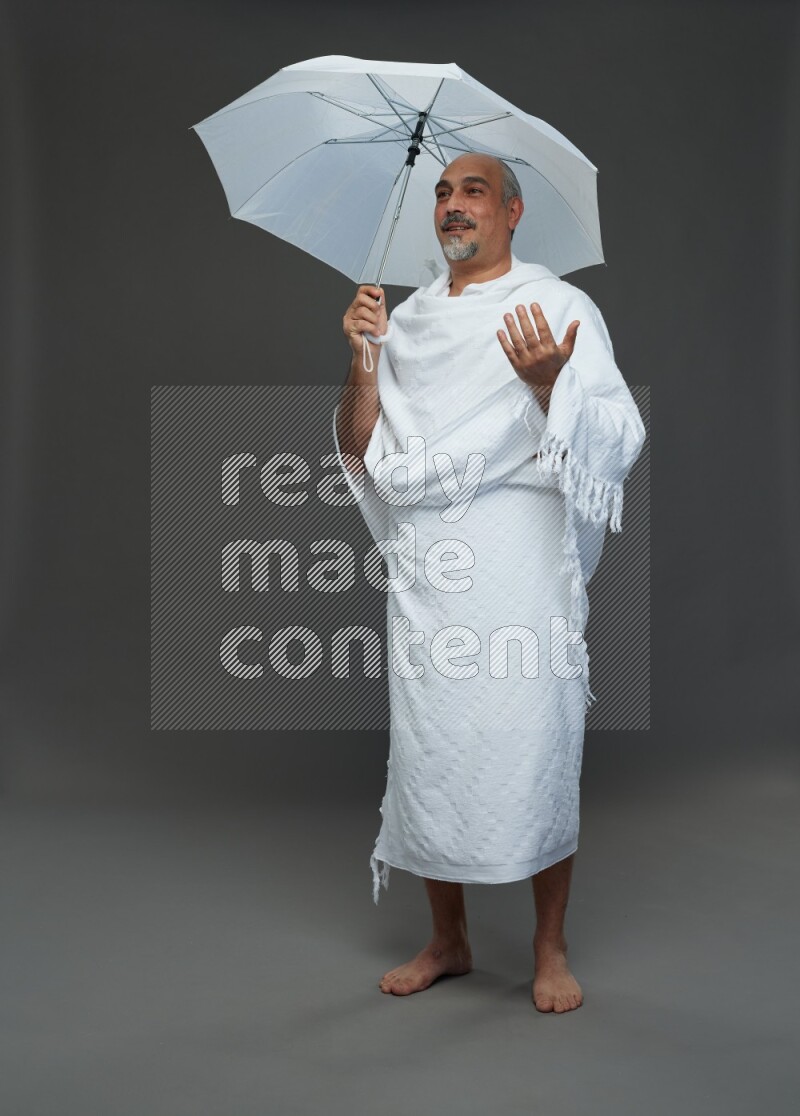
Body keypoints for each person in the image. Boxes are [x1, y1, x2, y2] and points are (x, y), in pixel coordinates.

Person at [333, 152, 645, 1012]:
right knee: (433, 746)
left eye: (473, 191)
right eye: (441, 193)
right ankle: (450, 938)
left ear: (512, 213)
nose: (453, 206)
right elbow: (360, 450)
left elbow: (618, 433)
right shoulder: (411, 321)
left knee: (534, 741)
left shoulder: (559, 305)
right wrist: (364, 356)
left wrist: (552, 388)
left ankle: (550, 946)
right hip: (431, 568)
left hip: (518, 557)